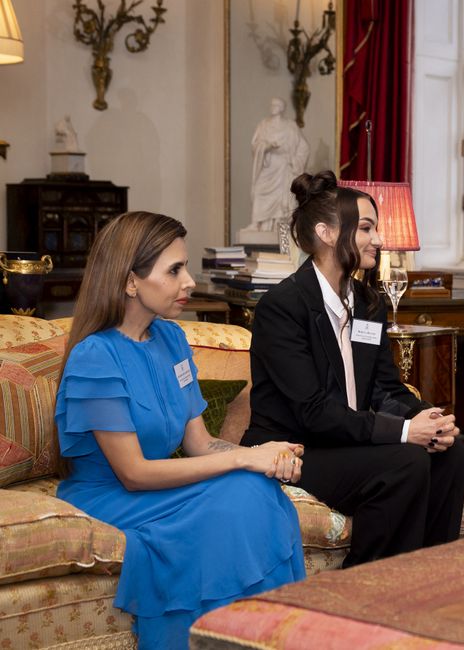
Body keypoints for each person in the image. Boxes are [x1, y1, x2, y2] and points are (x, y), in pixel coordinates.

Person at [54, 212, 306, 650]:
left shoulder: (171, 339)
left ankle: (266, 637)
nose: (189, 281)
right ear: (131, 282)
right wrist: (244, 457)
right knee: (241, 495)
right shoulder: (95, 357)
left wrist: (264, 456)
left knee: (256, 487)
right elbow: (134, 473)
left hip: (155, 487)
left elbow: (200, 444)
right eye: (174, 270)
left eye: (185, 267)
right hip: (113, 495)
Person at [242, 170, 464, 567]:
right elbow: (313, 412)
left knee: (452, 454)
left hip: (346, 441)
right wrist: (405, 432)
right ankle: (366, 583)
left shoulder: (367, 302)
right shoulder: (283, 307)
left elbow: (385, 387)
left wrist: (427, 418)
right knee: (406, 462)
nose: (378, 240)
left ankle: (428, 574)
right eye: (366, 228)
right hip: (295, 448)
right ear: (327, 233)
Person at [243, 97, 310, 232]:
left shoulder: (290, 126)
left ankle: (280, 225)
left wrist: (294, 160)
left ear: (282, 108)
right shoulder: (264, 125)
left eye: (276, 105)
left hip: (284, 166)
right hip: (268, 166)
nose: (273, 107)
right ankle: (258, 223)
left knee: (283, 197)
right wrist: (265, 146)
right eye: (272, 105)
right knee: (259, 191)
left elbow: (304, 147)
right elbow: (255, 144)